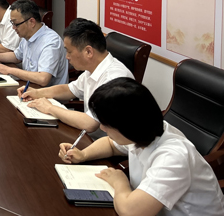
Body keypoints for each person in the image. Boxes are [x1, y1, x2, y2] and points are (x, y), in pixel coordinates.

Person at [60, 78, 224, 216]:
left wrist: (120, 182)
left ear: (128, 126)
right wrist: (83, 154)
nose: (102, 128)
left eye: (106, 124)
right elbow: (110, 144)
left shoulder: (173, 157)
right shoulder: (145, 131)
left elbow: (131, 212)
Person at [17, 18, 133, 132]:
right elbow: (69, 89)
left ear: (88, 52)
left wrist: (50, 108)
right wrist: (37, 93)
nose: (67, 57)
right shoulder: (93, 68)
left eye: (69, 51)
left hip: (106, 140)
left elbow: (89, 123)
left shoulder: (114, 78)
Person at [0, 0, 68, 86]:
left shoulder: (51, 42)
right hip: (29, 87)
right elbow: (16, 56)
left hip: (47, 93)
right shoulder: (28, 35)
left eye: (16, 24)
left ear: (31, 22)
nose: (13, 27)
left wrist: (9, 70)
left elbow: (43, 79)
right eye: (12, 23)